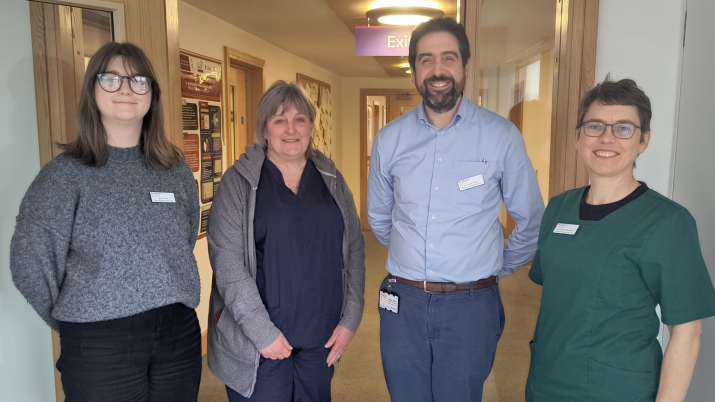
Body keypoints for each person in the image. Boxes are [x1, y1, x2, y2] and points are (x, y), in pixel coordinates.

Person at [10, 42, 202, 401]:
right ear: (92, 90)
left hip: (178, 335)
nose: (126, 89)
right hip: (99, 341)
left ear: (152, 94)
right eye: (111, 79)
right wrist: (79, 314)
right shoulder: (64, 175)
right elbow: (29, 262)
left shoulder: (174, 170)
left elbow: (182, 239)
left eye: (138, 80)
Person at [367, 17, 544, 402]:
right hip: (404, 303)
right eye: (426, 60)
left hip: (471, 306)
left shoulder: (501, 137)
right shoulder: (389, 140)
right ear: (414, 72)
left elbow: (531, 220)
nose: (438, 70)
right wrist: (411, 256)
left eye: (448, 58)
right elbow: (381, 220)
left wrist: (495, 265)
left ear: (465, 67)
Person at [526, 77, 715, 402]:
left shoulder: (668, 222)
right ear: (577, 136)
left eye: (624, 128)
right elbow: (560, 299)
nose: (606, 138)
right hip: (546, 381)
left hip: (616, 388)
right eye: (594, 126)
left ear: (643, 141)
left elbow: (688, 333)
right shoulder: (559, 208)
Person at [206, 80, 365, 401]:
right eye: (279, 120)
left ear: (311, 127)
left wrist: (350, 319)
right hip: (259, 340)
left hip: (321, 335)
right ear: (264, 129)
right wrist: (262, 334)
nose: (290, 129)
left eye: (300, 119)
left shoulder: (330, 178)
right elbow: (228, 264)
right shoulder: (238, 183)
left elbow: (355, 249)